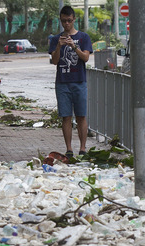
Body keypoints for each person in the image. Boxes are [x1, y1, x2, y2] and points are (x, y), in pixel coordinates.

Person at [48, 6, 92, 157]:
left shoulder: (83, 37)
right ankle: (69, 149)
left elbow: (85, 58)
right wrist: (59, 46)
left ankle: (83, 148)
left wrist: (74, 47)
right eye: (63, 21)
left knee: (81, 115)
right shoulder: (55, 39)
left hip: (79, 81)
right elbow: (54, 61)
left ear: (74, 20)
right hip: (62, 82)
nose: (66, 24)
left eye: (68, 21)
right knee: (66, 116)